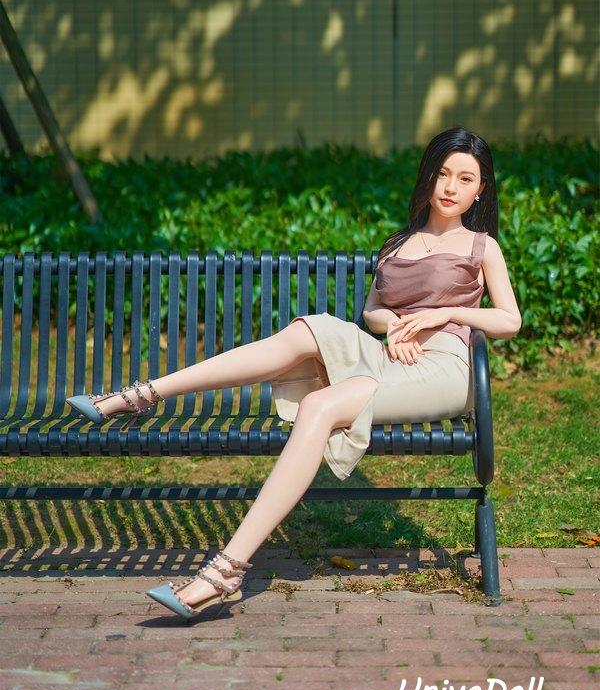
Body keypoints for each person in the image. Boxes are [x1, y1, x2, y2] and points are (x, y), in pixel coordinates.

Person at [66, 126, 522, 621]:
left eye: (465, 178)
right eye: (443, 173)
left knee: (319, 405)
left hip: (445, 368)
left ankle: (226, 571)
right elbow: (373, 310)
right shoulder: (399, 243)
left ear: (481, 189)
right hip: (390, 353)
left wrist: (444, 314)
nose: (450, 187)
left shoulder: (481, 247)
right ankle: (144, 394)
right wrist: (393, 325)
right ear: (428, 175)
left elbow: (509, 320)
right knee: (309, 329)